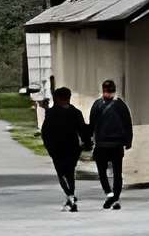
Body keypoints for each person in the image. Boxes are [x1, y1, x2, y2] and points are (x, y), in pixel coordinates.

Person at [87, 77, 134, 209]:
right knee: (115, 172)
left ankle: (111, 195)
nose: (109, 93)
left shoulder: (98, 105)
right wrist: (128, 140)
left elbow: (92, 124)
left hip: (105, 144)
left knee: (105, 172)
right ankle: (113, 196)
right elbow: (127, 124)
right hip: (113, 144)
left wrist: (89, 140)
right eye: (108, 91)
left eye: (110, 91)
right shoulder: (120, 105)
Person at [41, 84, 87, 212]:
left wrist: (48, 146)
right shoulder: (76, 113)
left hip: (57, 149)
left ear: (58, 98)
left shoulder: (52, 113)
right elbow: (82, 130)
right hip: (72, 148)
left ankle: (70, 196)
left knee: (62, 174)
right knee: (70, 173)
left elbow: (45, 132)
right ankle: (70, 196)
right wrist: (85, 144)